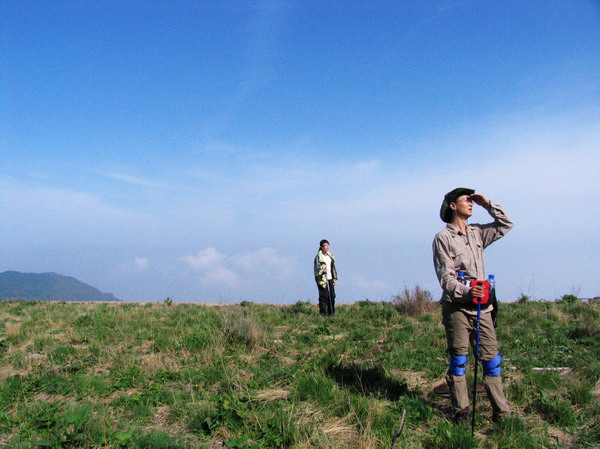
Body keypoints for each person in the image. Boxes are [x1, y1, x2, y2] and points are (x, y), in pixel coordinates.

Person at [432, 188, 514, 423]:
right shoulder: (442, 238)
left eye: (472, 200)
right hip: (457, 308)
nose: (471, 203)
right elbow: (445, 278)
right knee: (459, 361)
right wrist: (468, 291)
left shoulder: (478, 233)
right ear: (452, 206)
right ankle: (462, 412)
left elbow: (506, 224)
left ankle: (502, 413)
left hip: (483, 309)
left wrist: (488, 204)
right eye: (466, 200)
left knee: (491, 360)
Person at [314, 239, 337, 316]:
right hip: (322, 279)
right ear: (321, 247)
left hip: (330, 278)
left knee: (332, 296)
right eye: (325, 245)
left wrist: (334, 278)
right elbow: (316, 269)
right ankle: (323, 314)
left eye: (328, 245)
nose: (327, 247)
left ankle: (331, 313)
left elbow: (333, 268)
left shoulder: (330, 256)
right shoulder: (318, 257)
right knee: (324, 296)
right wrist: (322, 271)